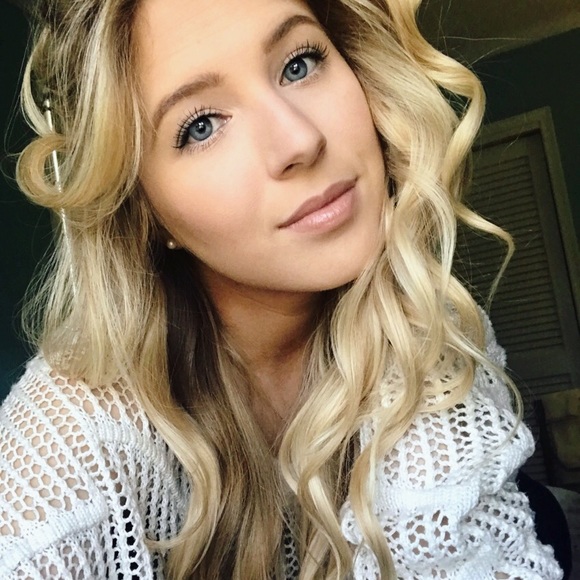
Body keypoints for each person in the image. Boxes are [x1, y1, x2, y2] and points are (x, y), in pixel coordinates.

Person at [0, 0, 565, 578]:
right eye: (201, 126)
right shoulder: (67, 442)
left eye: (299, 63)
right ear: (146, 211)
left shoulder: (427, 324)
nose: (300, 140)